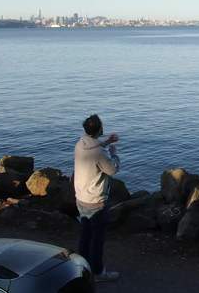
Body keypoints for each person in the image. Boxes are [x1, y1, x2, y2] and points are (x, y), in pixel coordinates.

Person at [74, 114, 121, 282]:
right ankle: (98, 273)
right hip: (96, 200)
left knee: (85, 234)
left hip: (81, 197)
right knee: (97, 239)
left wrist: (107, 142)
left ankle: (81, 268)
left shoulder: (80, 143)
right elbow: (112, 170)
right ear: (100, 129)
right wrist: (114, 153)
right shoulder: (100, 153)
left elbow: (93, 149)